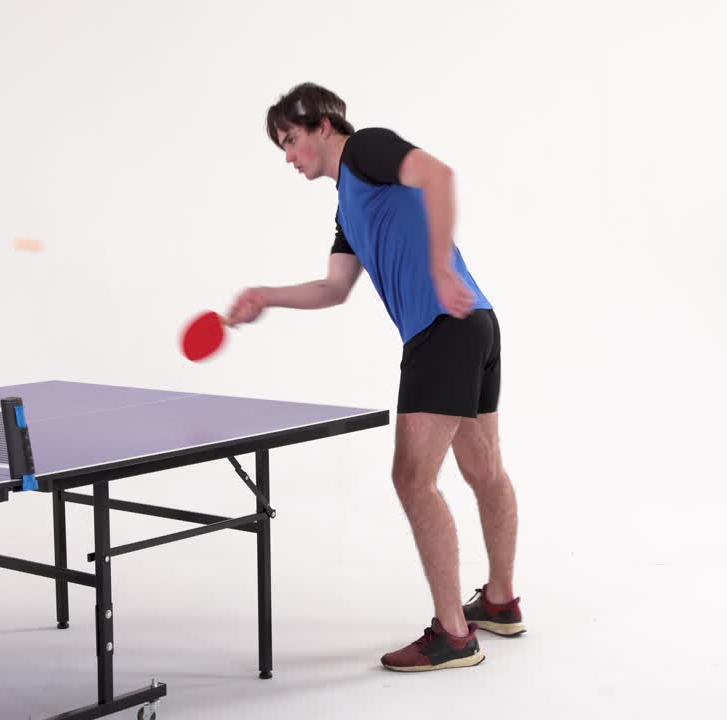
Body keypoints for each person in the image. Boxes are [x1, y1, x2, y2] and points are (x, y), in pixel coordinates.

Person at [226, 82, 525, 672]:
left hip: (442, 329)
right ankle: (500, 602)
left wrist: (440, 267)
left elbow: (438, 175)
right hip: (475, 325)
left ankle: (453, 635)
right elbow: (334, 288)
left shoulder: (366, 149)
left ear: (322, 125)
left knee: (413, 479)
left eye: (290, 139)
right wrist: (266, 296)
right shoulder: (348, 205)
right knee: (483, 469)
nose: (288, 156)